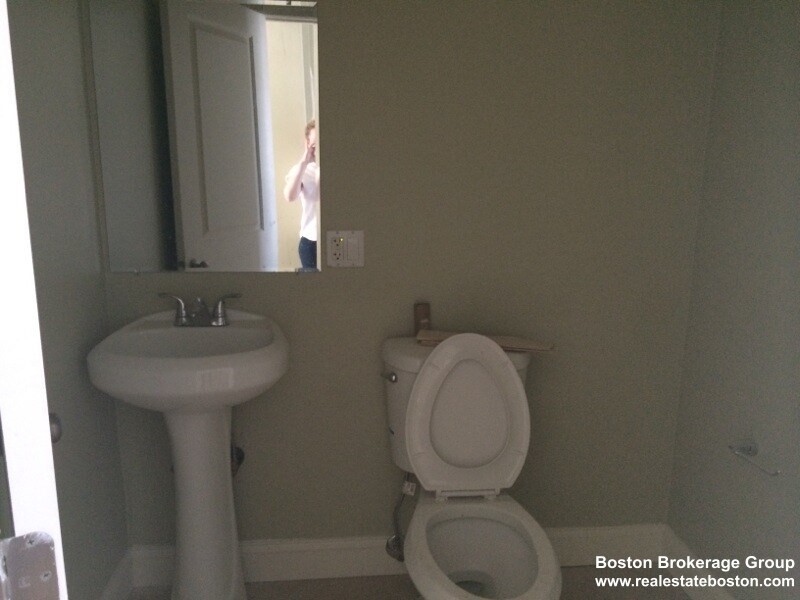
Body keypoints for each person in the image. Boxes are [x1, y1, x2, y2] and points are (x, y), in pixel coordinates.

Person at [283, 120, 320, 270]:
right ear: (308, 142)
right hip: (310, 242)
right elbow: (290, 196)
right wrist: (304, 161)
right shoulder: (303, 170)